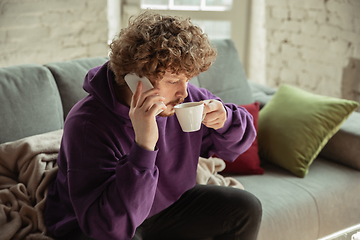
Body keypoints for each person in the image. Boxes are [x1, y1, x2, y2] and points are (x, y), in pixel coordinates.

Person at [44, 10, 262, 240]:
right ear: (136, 79)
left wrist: (225, 120)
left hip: (164, 208)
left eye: (187, 79)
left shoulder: (185, 101)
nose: (184, 92)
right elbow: (107, 228)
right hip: (104, 223)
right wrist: (144, 146)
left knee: (245, 209)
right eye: (173, 80)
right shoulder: (88, 124)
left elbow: (234, 147)